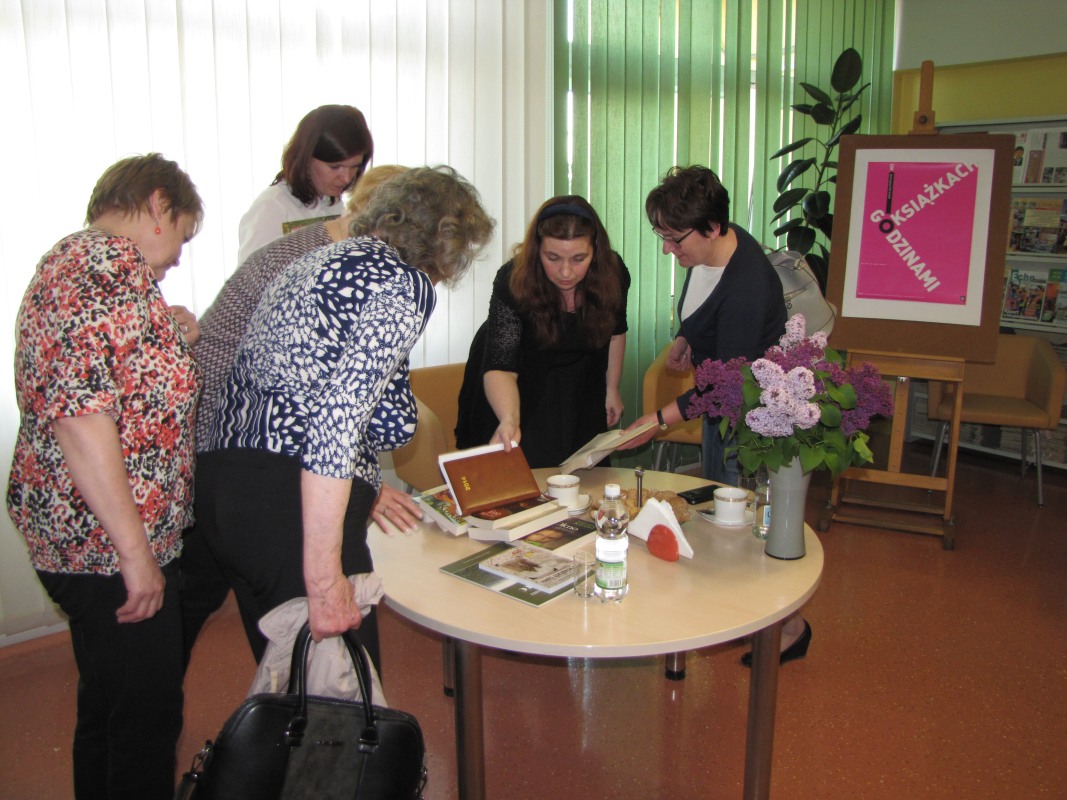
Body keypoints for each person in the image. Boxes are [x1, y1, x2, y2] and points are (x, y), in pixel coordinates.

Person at [195, 166, 494, 669]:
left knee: (288, 683)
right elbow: (336, 426)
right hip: (289, 500)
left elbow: (376, 413)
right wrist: (325, 580)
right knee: (339, 693)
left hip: (225, 488)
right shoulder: (402, 283)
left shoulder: (314, 260)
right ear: (447, 244)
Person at [6, 153, 204, 799]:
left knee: (110, 702)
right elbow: (81, 421)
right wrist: (136, 556)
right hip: (106, 549)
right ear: (158, 206)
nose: (178, 256)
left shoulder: (84, 268)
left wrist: (171, 336)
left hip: (87, 539)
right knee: (146, 720)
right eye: (183, 235)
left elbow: (112, 374)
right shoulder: (102, 273)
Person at [181, 165, 414, 664]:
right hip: (237, 454)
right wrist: (358, 484)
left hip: (231, 459)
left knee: (278, 647)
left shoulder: (330, 256)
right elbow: (323, 409)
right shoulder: (324, 264)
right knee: (316, 659)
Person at [621, 165, 809, 666]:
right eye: (660, 236)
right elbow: (704, 309)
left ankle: (789, 626)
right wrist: (687, 338)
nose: (667, 250)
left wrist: (658, 419)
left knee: (738, 523)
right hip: (719, 403)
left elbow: (727, 388)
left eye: (673, 239)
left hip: (749, 417)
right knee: (723, 513)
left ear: (711, 227)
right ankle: (735, 612)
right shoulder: (712, 247)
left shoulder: (747, 286)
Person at [455, 196, 630, 469]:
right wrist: (509, 418)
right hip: (519, 380)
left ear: (596, 250)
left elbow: (616, 332)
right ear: (537, 249)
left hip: (581, 377)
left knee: (584, 470)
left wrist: (611, 388)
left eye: (579, 258)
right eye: (553, 257)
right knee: (527, 467)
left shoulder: (613, 274)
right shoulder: (513, 279)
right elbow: (502, 366)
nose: (565, 272)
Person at [237, 104, 373, 263]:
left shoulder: (333, 202)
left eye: (354, 167)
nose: (347, 178)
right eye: (335, 167)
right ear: (306, 158)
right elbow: (250, 276)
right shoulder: (271, 208)